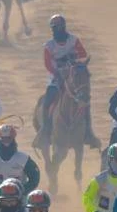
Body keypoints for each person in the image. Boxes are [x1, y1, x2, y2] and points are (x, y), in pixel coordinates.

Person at [34, 14, 100, 149]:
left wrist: (72, 58)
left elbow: (82, 54)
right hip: (56, 78)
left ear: (63, 27)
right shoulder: (49, 45)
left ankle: (88, 132)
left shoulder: (73, 40)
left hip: (73, 76)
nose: (54, 31)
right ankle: (45, 131)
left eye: (56, 28)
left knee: (85, 102)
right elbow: (48, 64)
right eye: (52, 28)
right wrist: (58, 72)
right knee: (47, 101)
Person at [0, 123, 40, 197]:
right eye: (3, 138)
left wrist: (24, 191)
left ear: (13, 138)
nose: (6, 142)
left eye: (8, 138)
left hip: (19, 199)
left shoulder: (24, 158)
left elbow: (35, 177)